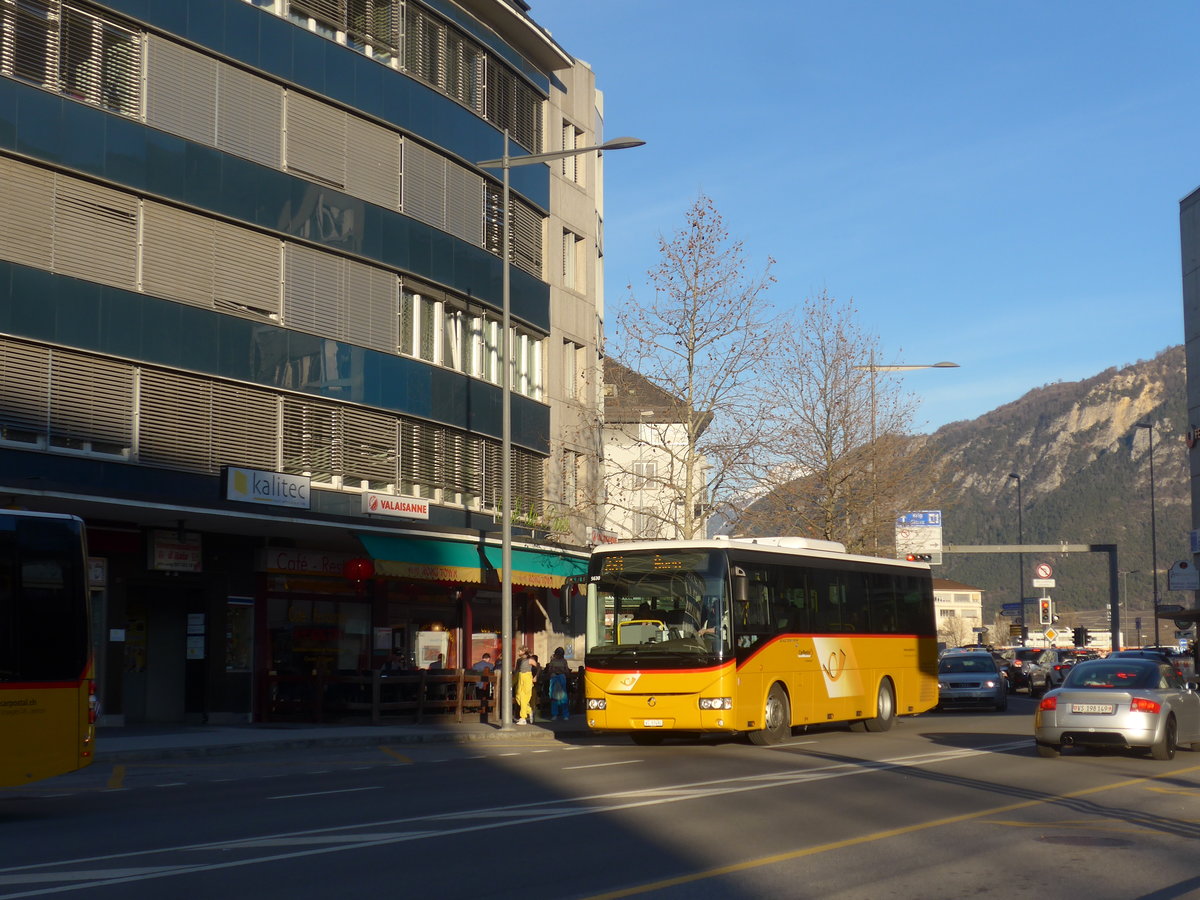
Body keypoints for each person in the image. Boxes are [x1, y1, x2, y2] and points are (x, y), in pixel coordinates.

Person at [545, 647, 571, 720]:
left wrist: (562, 671)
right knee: (554, 698)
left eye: (561, 653)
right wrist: (555, 670)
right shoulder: (552, 661)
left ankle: (565, 714)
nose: (559, 655)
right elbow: (549, 671)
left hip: (561, 678)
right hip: (554, 678)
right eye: (558, 653)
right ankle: (554, 714)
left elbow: (566, 671)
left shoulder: (564, 661)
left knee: (563, 697)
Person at [513, 648, 535, 724]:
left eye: (520, 651)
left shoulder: (530, 660)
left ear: (524, 652)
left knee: (524, 698)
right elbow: (517, 670)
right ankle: (529, 710)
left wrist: (535, 676)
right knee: (518, 697)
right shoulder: (519, 660)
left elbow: (537, 667)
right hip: (520, 677)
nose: (518, 652)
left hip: (527, 678)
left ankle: (523, 718)